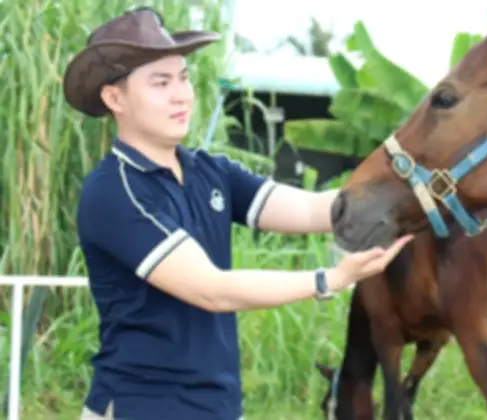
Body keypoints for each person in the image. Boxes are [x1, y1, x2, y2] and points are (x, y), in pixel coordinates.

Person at [62, 7, 413, 420]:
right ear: (114, 98)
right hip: (142, 407)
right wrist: (329, 279)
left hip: (218, 408)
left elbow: (311, 208)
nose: (181, 95)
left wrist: (409, 187)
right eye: (161, 83)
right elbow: (212, 289)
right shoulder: (114, 192)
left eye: (183, 78)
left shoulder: (209, 171)